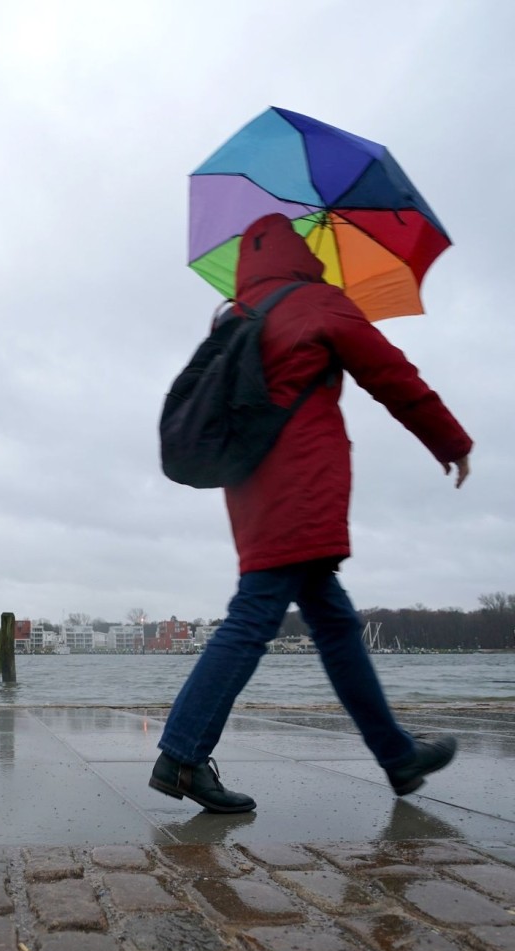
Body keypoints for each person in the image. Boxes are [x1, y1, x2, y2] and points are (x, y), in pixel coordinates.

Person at [150, 212, 473, 814]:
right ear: (302, 251)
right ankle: (181, 755)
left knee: (332, 621)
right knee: (254, 618)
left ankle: (397, 757)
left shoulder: (235, 314)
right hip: (302, 487)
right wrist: (450, 441)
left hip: (250, 488)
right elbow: (392, 375)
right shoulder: (319, 302)